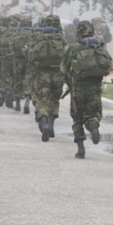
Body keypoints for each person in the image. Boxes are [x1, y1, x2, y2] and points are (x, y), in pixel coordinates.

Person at [61, 20, 113, 159]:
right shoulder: (100, 46)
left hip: (78, 88)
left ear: (78, 33)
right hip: (95, 87)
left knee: (77, 117)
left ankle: (80, 148)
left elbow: (64, 69)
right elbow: (110, 67)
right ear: (92, 32)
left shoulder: (74, 48)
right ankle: (93, 124)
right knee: (94, 112)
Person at [28, 14, 68, 142]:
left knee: (43, 98)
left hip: (42, 73)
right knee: (55, 99)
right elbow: (67, 56)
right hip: (58, 73)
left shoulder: (37, 37)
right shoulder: (61, 38)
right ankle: (51, 124)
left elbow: (30, 55)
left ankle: (43, 121)